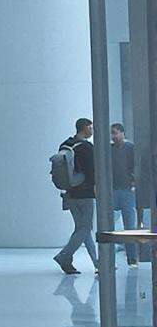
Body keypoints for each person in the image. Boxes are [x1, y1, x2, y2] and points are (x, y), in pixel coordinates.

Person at [53, 116, 96, 277]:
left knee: (82, 229)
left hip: (70, 193)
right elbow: (92, 171)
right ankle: (63, 256)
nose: (92, 130)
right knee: (84, 229)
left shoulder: (65, 144)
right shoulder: (87, 147)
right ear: (85, 128)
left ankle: (97, 263)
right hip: (85, 194)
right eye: (91, 127)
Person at [108, 121, 141, 266]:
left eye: (115, 133)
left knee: (130, 226)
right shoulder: (110, 149)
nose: (113, 136)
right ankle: (109, 259)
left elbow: (136, 166)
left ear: (122, 133)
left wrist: (134, 182)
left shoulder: (130, 148)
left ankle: (132, 258)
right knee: (110, 225)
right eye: (112, 133)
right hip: (114, 189)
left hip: (127, 189)